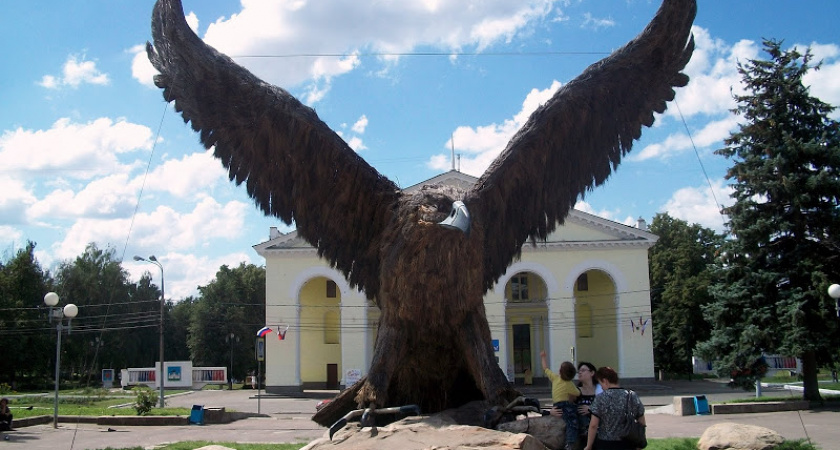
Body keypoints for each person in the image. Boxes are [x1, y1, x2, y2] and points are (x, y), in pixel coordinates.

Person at [584, 367, 645, 450]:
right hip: (628, 442)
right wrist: (639, 442)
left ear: (605, 381)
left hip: (605, 443)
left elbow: (594, 425)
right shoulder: (631, 396)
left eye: (600, 383)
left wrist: (589, 445)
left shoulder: (600, 398)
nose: (601, 387)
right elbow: (641, 421)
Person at [541, 350, 580, 450]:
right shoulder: (569, 384)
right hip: (566, 405)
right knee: (572, 422)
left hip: (556, 405)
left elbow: (545, 369)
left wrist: (543, 357)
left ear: (560, 372)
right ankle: (570, 442)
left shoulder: (555, 378)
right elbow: (578, 393)